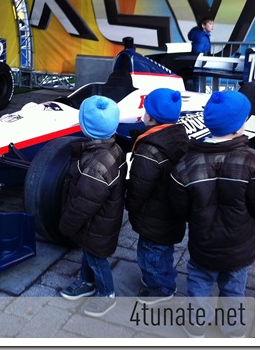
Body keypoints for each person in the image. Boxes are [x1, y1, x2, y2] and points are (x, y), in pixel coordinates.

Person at [170, 90, 254, 338]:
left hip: (203, 244)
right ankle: (233, 327)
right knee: (234, 286)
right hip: (239, 247)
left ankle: (196, 327)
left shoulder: (185, 164)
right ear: (240, 128)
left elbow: (179, 209)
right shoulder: (253, 163)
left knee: (199, 282)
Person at [59, 95, 127, 318]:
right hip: (100, 221)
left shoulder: (96, 165)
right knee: (90, 253)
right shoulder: (113, 148)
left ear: (85, 126)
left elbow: (84, 203)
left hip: (95, 224)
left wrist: (67, 225)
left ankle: (106, 294)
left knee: (97, 258)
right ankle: (85, 282)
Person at [125, 88, 189, 305]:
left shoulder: (149, 150)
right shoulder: (178, 137)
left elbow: (139, 186)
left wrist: (131, 205)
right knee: (163, 250)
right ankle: (164, 277)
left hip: (154, 215)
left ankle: (160, 288)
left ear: (150, 117)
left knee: (150, 251)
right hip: (171, 211)